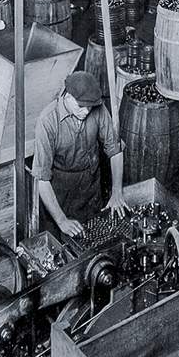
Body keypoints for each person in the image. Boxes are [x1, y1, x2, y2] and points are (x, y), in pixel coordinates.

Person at [33, 71, 125, 238]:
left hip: (91, 189)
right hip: (60, 195)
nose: (87, 111)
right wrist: (61, 220)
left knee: (94, 237)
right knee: (62, 244)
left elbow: (115, 150)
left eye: (90, 106)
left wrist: (117, 192)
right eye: (81, 106)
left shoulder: (97, 108)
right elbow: (42, 180)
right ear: (67, 96)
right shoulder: (47, 121)